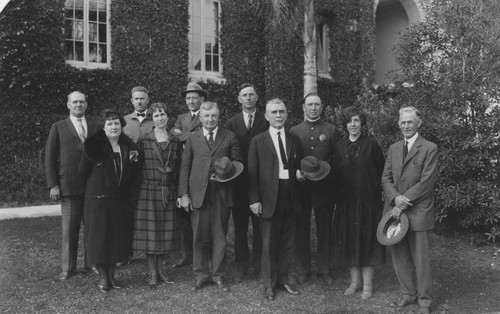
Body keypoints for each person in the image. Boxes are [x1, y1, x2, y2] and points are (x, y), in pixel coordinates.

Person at [178, 101, 242, 292]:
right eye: (206, 116)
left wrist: (226, 172)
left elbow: (238, 163)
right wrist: (184, 194)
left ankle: (218, 275)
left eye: (213, 115)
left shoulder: (229, 136)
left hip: (221, 194)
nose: (210, 119)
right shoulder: (192, 138)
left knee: (219, 237)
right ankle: (200, 275)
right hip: (198, 193)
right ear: (200, 118)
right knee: (199, 236)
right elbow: (185, 167)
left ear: (218, 116)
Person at [382, 106, 438, 314]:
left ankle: (425, 301)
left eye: (410, 122)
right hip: (395, 212)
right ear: (399, 124)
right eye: (403, 122)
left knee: (421, 259)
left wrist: (403, 201)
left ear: (418, 123)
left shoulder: (429, 148)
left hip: (419, 212)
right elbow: (385, 178)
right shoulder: (394, 148)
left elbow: (427, 182)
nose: (406, 126)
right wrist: (395, 199)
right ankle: (408, 294)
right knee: (400, 255)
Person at [248, 98, 304, 301]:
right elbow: (252, 173)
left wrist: (301, 174)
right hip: (269, 197)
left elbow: (300, 166)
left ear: (286, 114)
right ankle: (269, 285)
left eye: (281, 111)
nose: (278, 115)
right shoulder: (258, 141)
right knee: (269, 242)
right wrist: (254, 199)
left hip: (291, 194)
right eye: (274, 112)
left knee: (288, 241)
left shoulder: (294, 139)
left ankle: (283, 279)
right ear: (267, 116)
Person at [81, 110, 141, 292]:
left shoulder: (129, 147)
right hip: (98, 202)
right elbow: (81, 174)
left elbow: (135, 173)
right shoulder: (93, 147)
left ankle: (112, 276)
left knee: (116, 239)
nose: (114, 127)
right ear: (103, 127)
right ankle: (103, 278)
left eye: (116, 123)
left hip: (120, 202)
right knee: (100, 240)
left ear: (121, 126)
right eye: (110, 124)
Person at [331, 107, 386, 300]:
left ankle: (368, 285)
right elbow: (336, 174)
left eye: (356, 121)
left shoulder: (372, 145)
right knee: (349, 242)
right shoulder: (339, 146)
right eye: (349, 121)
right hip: (346, 204)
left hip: (367, 203)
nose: (353, 125)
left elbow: (381, 172)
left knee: (366, 243)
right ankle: (355, 282)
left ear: (362, 123)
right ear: (345, 125)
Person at [45, 91, 98, 280]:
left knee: (92, 227)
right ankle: (68, 267)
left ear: (86, 104)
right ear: (68, 105)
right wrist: (53, 185)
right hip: (68, 185)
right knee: (69, 229)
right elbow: (50, 157)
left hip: (92, 185)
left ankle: (91, 263)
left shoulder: (94, 126)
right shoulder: (58, 127)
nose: (78, 105)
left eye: (81, 102)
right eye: (74, 102)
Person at [290, 93, 339, 285]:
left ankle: (324, 269)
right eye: (310, 104)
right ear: (303, 107)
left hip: (324, 188)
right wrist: (296, 173)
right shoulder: (294, 130)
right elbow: (290, 157)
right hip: (302, 188)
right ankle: (303, 269)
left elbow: (337, 159)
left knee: (324, 229)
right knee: (301, 229)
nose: (313, 108)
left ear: (322, 107)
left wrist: (329, 175)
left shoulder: (331, 130)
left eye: (317, 104)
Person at [132, 103, 181, 288]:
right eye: (156, 115)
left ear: (168, 117)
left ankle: (161, 271)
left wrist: (178, 191)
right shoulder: (144, 140)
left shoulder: (175, 140)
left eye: (163, 114)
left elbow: (179, 167)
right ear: (151, 119)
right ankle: (152, 273)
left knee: (164, 234)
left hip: (167, 190)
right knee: (150, 234)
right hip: (148, 191)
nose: (160, 118)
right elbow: (136, 168)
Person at [225, 83, 269, 282]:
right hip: (240, 184)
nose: (248, 98)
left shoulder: (266, 120)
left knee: (260, 227)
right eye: (245, 95)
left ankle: (259, 266)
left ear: (257, 97)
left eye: (252, 94)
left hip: (261, 182)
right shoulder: (232, 122)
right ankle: (241, 266)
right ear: (239, 99)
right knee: (240, 228)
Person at [170, 81, 206, 268]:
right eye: (188, 98)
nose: (191, 101)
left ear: (202, 99)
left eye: (194, 98)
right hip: (183, 167)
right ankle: (188, 255)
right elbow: (173, 134)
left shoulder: (207, 115)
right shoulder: (182, 117)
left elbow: (203, 136)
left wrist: (183, 134)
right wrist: (192, 135)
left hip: (199, 168)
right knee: (183, 214)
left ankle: (202, 254)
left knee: (200, 213)